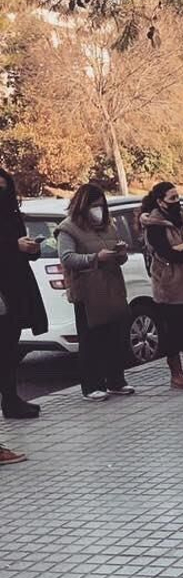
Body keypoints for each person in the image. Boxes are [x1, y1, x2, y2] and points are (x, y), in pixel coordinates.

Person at [53, 183, 132, 403]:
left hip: (112, 287)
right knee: (91, 339)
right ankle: (91, 385)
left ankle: (116, 380)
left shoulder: (108, 226)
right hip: (87, 291)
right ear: (83, 205)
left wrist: (120, 253)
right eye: (94, 205)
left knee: (115, 336)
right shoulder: (68, 228)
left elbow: (117, 253)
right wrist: (95, 258)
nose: (98, 210)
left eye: (101, 205)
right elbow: (67, 257)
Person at [139, 183, 183, 391]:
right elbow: (167, 253)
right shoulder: (154, 224)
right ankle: (176, 373)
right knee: (173, 331)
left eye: (177, 197)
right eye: (171, 198)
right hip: (171, 285)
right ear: (160, 202)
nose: (176, 202)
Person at [1, 168, 48, 417]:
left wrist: (31, 249)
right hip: (3, 288)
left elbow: (21, 247)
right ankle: (10, 400)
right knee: (4, 346)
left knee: (10, 345)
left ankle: (11, 398)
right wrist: (13, 245)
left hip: (17, 285)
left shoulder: (12, 214)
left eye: (4, 187)